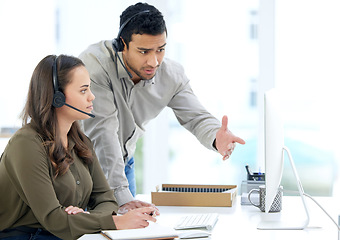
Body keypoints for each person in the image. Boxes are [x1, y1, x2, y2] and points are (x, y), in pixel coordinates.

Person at [79, 2, 245, 213]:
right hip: (84, 167)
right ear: (122, 44)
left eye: (161, 50)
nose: (154, 61)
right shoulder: (95, 66)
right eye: (144, 51)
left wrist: (215, 135)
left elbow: (196, 117)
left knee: (130, 231)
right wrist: (121, 194)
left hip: (123, 164)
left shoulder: (171, 75)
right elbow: (103, 134)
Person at [0, 55, 158, 240]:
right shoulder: (26, 144)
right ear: (56, 98)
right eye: (83, 90)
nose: (92, 96)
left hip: (65, 234)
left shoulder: (80, 141)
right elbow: (54, 219)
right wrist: (116, 222)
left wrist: (87, 217)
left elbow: (106, 199)